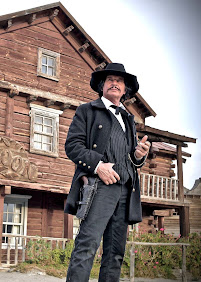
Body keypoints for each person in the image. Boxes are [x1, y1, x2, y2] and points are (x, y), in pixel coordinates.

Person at [65, 63, 150, 282]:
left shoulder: (128, 119)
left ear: (125, 90)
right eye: (110, 79)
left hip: (125, 190)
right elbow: (73, 146)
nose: (115, 83)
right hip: (99, 187)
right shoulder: (87, 110)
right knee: (87, 246)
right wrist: (97, 166)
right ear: (102, 86)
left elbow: (129, 157)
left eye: (119, 81)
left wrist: (138, 155)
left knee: (115, 253)